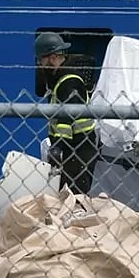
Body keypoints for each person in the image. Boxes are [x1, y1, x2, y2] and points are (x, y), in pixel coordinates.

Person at [35, 32, 100, 195]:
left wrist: (57, 147)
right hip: (72, 147)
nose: (40, 64)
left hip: (79, 148)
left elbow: (66, 117)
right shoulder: (60, 78)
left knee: (74, 195)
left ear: (52, 57)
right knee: (65, 193)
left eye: (41, 59)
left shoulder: (70, 81)